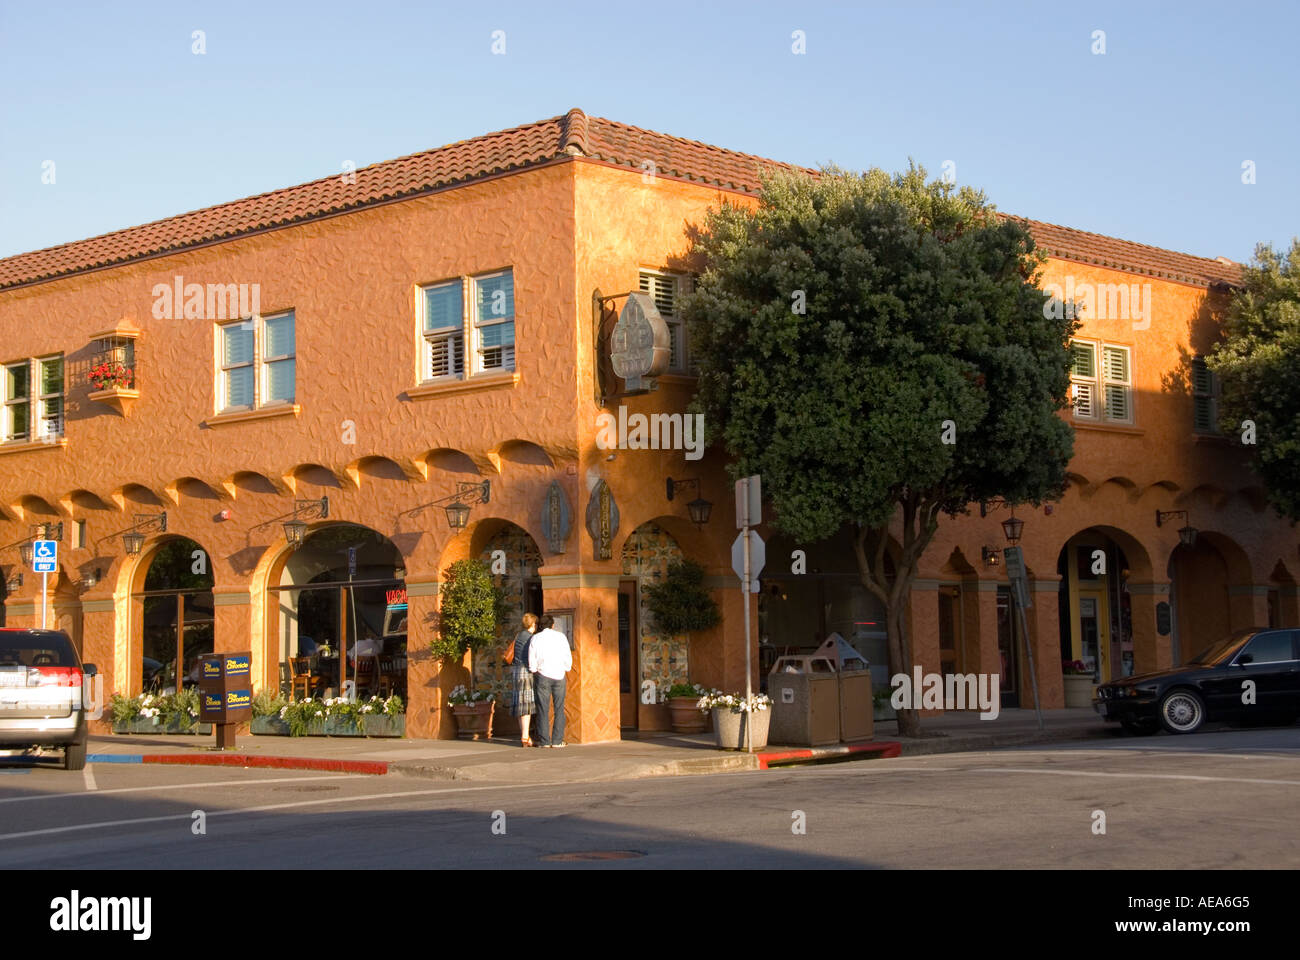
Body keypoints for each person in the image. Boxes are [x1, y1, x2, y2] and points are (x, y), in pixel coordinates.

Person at [527, 614, 572, 748]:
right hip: (559, 675)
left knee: (542, 709)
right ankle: (558, 741)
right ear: (553, 625)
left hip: (542, 675)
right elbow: (567, 656)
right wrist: (565, 668)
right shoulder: (561, 637)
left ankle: (544, 741)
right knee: (559, 708)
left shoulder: (535, 638)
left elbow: (532, 659)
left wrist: (534, 670)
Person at [510, 613, 538, 746]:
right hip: (525, 671)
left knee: (519, 705)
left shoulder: (519, 635)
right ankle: (525, 735)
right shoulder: (531, 638)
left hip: (516, 671)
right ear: (533, 624)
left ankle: (525, 735)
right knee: (526, 705)